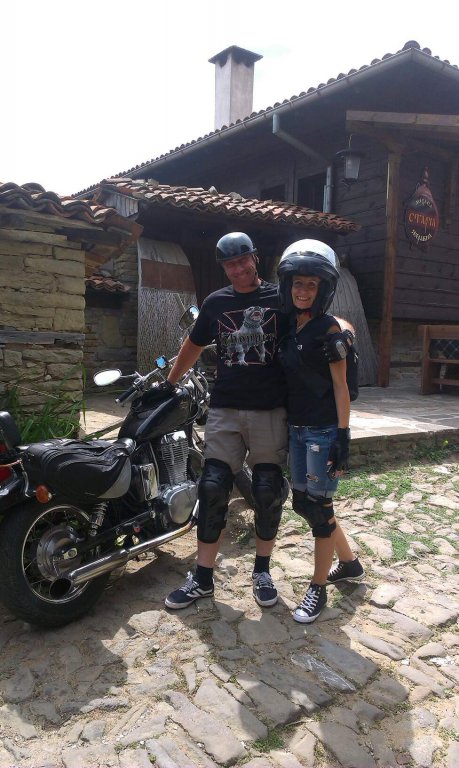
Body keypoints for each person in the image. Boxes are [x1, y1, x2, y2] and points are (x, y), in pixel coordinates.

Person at [163, 232, 289, 609]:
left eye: (243, 261)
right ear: (223, 268)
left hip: (270, 409)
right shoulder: (217, 303)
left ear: (255, 257)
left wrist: (342, 333)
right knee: (213, 487)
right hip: (225, 408)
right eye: (230, 264)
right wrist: (169, 383)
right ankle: (203, 578)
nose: (238, 269)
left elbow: (316, 324)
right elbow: (194, 344)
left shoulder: (281, 298)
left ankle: (262, 571)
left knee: (267, 490)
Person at [277, 239, 364, 624]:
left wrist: (342, 437)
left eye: (311, 285)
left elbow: (342, 387)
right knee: (305, 504)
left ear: (323, 288)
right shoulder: (290, 323)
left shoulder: (330, 331)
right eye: (298, 283)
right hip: (297, 429)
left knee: (319, 508)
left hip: (323, 432)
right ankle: (349, 563)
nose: (302, 290)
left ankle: (318, 588)